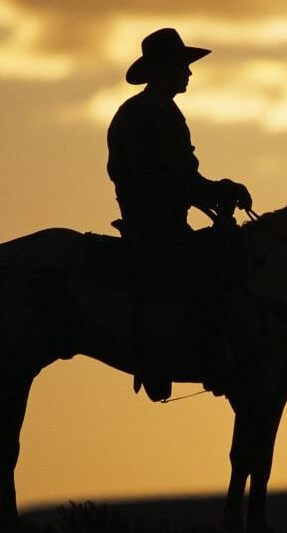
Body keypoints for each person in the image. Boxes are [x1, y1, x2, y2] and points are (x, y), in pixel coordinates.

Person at [107, 27, 251, 401]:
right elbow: (162, 177)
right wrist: (211, 191)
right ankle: (193, 357)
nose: (189, 73)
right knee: (209, 272)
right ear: (164, 69)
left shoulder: (156, 111)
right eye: (182, 66)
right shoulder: (147, 114)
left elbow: (182, 177)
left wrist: (214, 190)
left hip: (163, 218)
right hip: (154, 225)